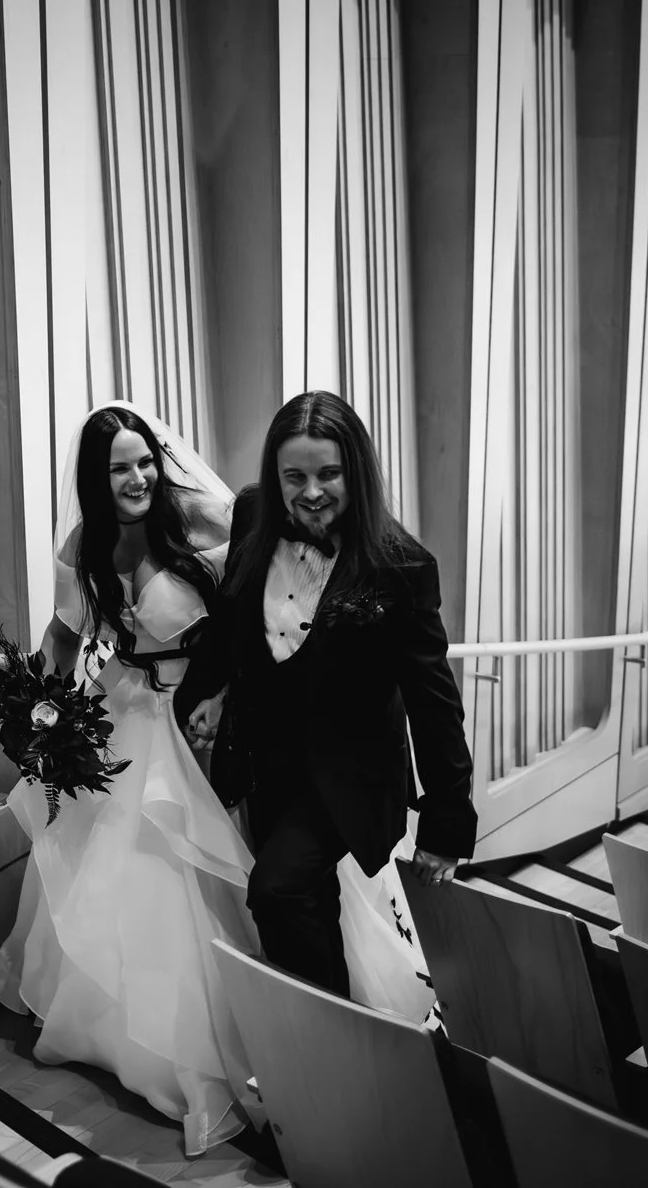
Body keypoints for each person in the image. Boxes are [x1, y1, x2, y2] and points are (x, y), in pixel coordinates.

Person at [0, 401, 433, 1157]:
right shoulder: (83, 546)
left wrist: (230, 696)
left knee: (229, 875)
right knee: (125, 879)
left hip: (197, 720)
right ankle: (139, 1040)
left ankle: (289, 1046)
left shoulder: (204, 522)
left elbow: (254, 605)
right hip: (123, 711)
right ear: (93, 483)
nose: (135, 478)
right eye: (116, 468)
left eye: (142, 461)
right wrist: (39, 707)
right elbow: (64, 633)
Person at [174, 390, 476, 999]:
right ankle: (338, 1039)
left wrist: (447, 821)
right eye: (296, 476)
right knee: (304, 899)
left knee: (276, 888)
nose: (311, 491)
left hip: (350, 774)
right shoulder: (255, 515)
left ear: (355, 472)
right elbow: (236, 616)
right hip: (265, 762)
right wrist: (215, 691)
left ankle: (324, 1041)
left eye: (329, 474)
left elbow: (433, 700)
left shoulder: (402, 567)